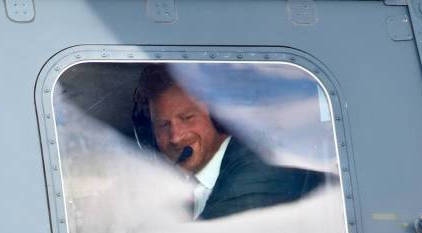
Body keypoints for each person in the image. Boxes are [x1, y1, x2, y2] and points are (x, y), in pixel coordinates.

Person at [134, 64, 326, 220]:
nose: (175, 137)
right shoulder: (183, 187)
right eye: (163, 125)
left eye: (187, 118)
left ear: (218, 117)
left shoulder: (255, 173)